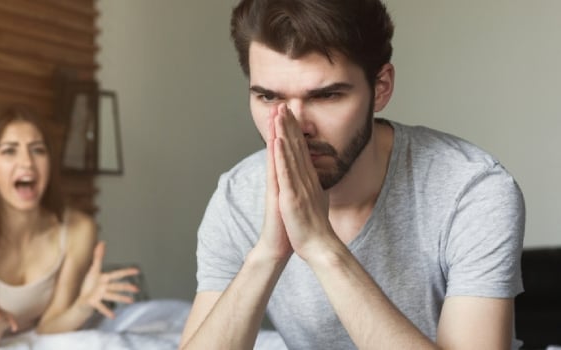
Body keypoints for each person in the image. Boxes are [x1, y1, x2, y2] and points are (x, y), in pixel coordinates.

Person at [180, 0, 525, 349]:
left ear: (382, 87)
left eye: (327, 95)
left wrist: (320, 245)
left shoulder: (472, 189)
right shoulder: (238, 194)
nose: (297, 128)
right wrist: (267, 254)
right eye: (269, 97)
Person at [0, 105, 140, 350]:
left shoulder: (78, 230)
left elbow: (49, 328)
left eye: (38, 150)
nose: (27, 162)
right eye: (9, 151)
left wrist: (83, 306)